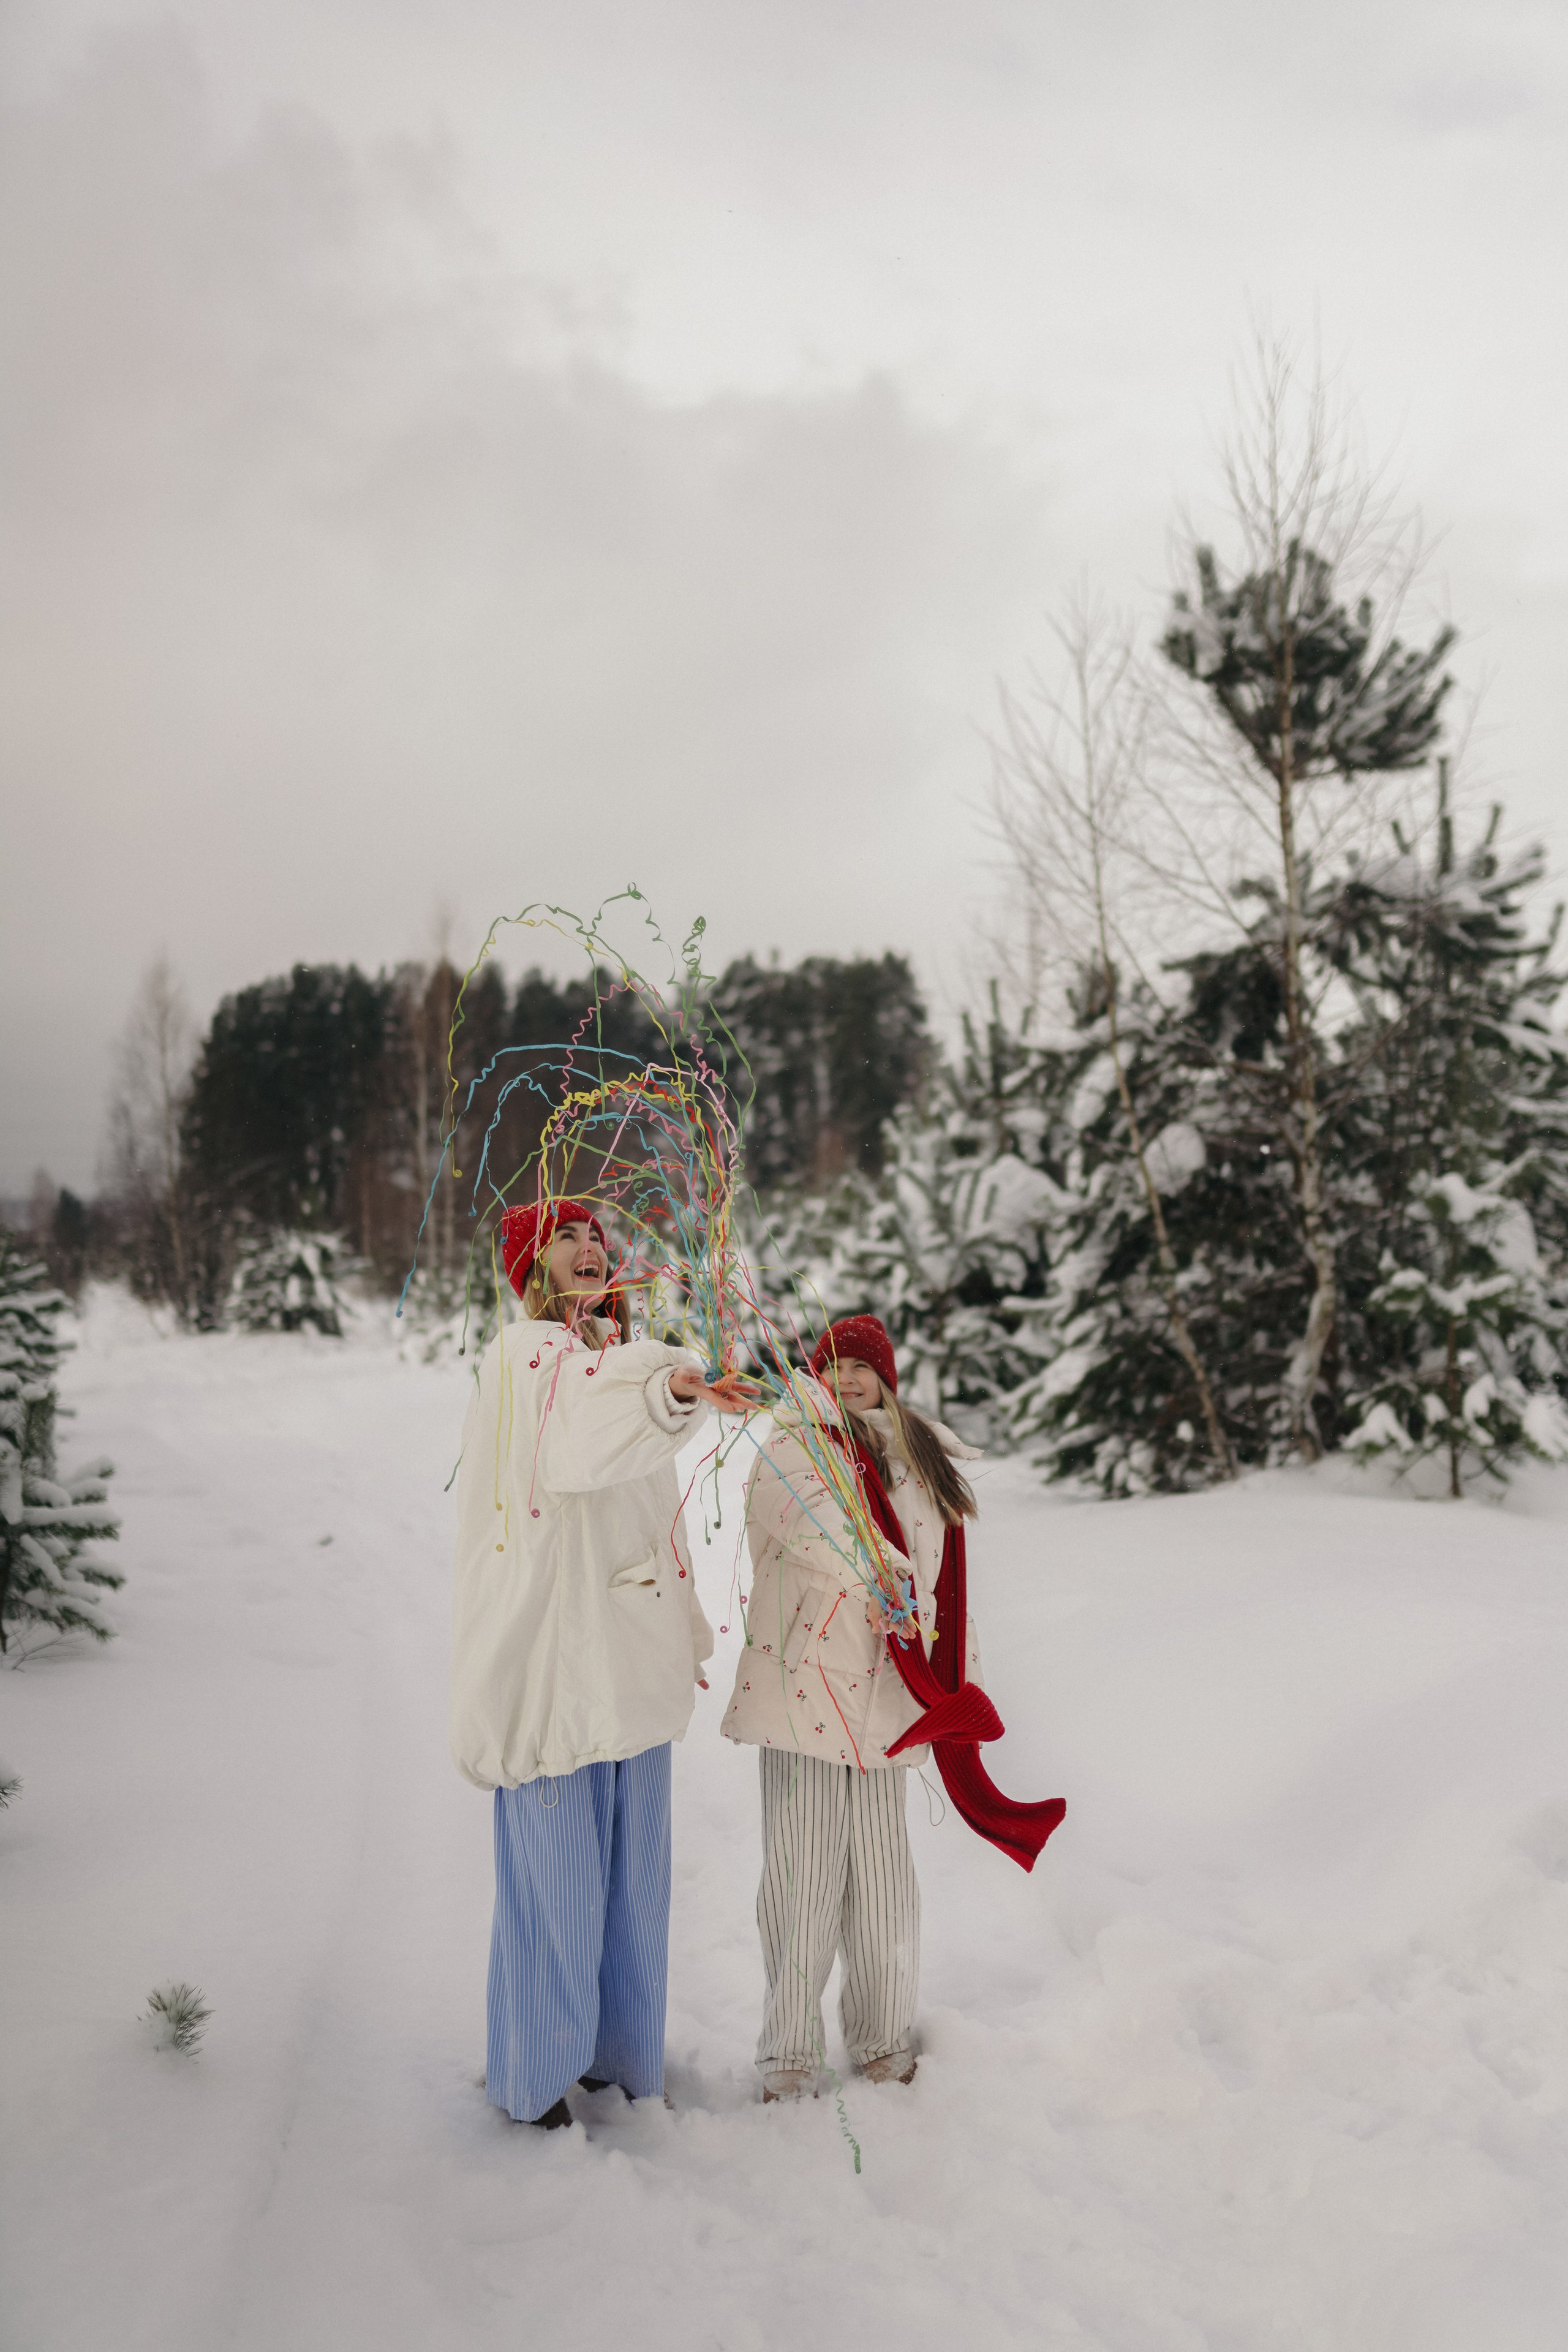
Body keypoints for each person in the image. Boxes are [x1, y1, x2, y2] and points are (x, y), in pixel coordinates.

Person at [451, 1197, 745, 2130]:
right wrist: (673, 1389)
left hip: (630, 1672)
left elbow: (653, 1528)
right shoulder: (528, 1355)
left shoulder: (605, 1364)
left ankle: (617, 2062)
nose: (588, 1248)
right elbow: (578, 1441)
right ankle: (537, 2079)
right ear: (531, 1265)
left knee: (631, 1893)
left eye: (596, 1237)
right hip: (555, 1672)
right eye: (566, 1236)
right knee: (559, 1888)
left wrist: (684, 1632)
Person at [722, 1313, 1064, 2102]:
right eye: (833, 1364)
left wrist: (955, 1689)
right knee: (802, 1883)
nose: (847, 1380)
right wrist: (878, 1568)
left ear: (888, 1379)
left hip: (889, 1696)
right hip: (806, 1694)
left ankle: (881, 2035)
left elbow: (949, 1590)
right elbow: (822, 1530)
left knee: (882, 1886)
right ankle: (790, 2054)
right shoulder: (792, 1447)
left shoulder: (921, 1463)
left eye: (863, 1368)